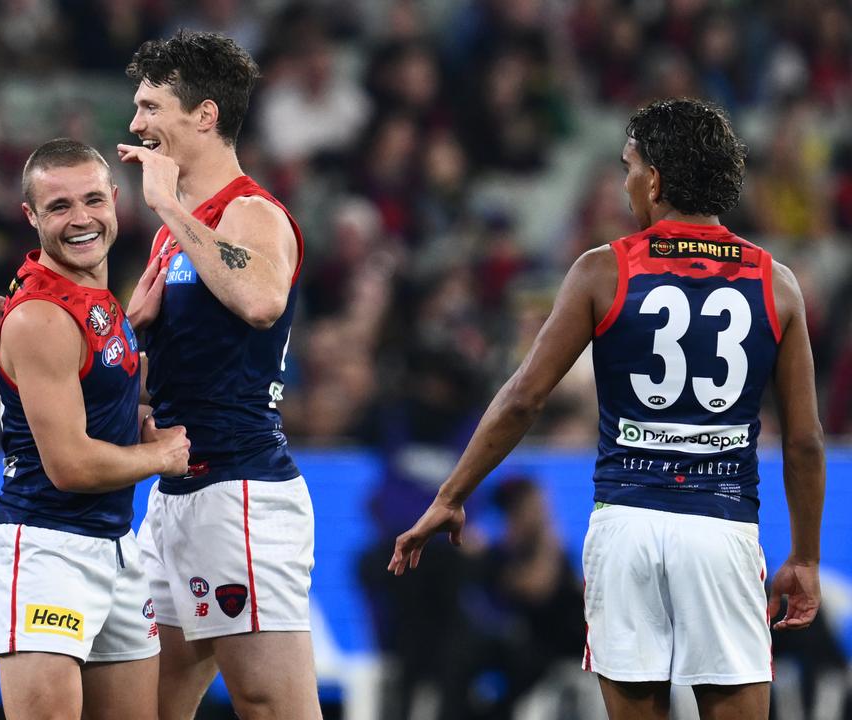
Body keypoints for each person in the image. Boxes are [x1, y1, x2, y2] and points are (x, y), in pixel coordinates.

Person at [388, 98, 826, 720]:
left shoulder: (604, 270)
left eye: (629, 167)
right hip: (721, 526)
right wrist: (805, 557)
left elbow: (523, 400)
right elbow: (805, 441)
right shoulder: (773, 281)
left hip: (627, 525)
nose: (625, 184)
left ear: (656, 179)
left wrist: (451, 494)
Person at [120, 30, 319, 720]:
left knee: (272, 706)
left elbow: (262, 300)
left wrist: (170, 205)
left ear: (204, 115)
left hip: (239, 491)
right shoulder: (172, 235)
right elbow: (158, 375)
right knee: (149, 704)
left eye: (150, 108)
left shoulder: (250, 212)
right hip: (174, 495)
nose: (135, 125)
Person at [0, 138, 191, 720]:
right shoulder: (43, 315)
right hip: (45, 550)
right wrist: (160, 457)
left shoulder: (92, 298)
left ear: (116, 201)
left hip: (115, 548)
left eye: (93, 199)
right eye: (59, 206)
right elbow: (71, 466)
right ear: (31, 217)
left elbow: (96, 382)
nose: (82, 219)